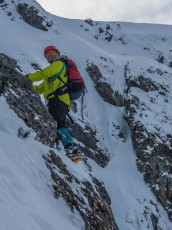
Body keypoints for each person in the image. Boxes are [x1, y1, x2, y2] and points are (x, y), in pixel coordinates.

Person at [28, 46, 82, 163]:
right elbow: (40, 89)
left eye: (51, 52)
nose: (49, 55)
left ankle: (72, 149)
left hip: (58, 99)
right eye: (47, 54)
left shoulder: (59, 64)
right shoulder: (51, 76)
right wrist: (27, 84)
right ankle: (69, 151)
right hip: (56, 101)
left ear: (57, 53)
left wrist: (27, 78)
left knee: (56, 123)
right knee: (57, 125)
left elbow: (44, 73)